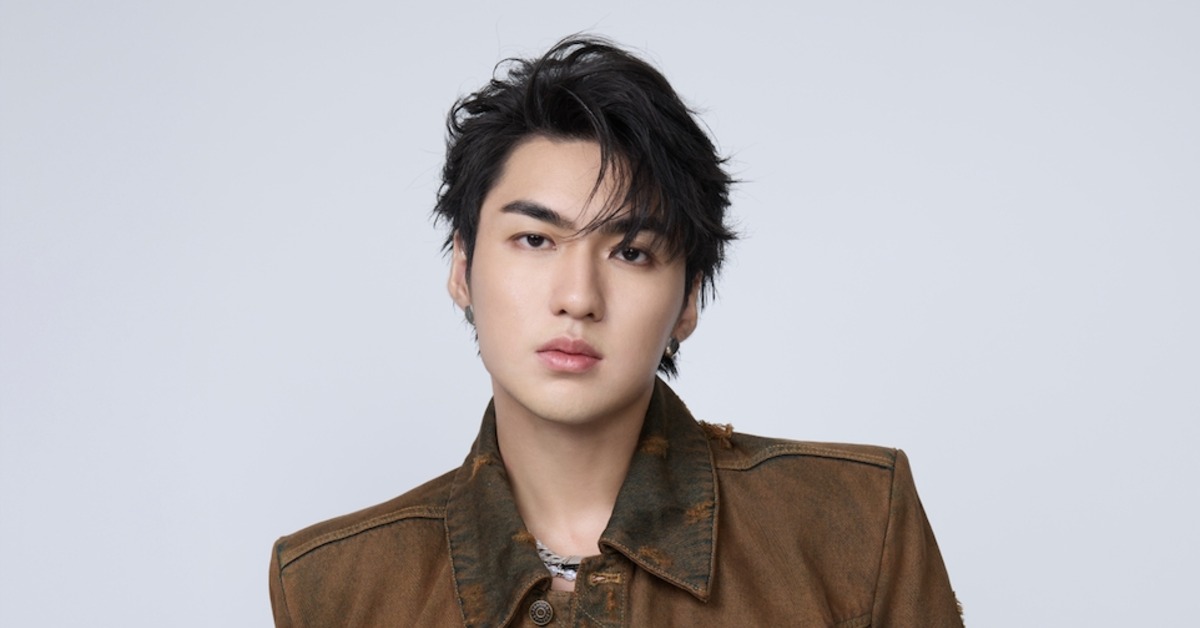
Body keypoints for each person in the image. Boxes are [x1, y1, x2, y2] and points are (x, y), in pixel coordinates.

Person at [269, 35, 963, 627]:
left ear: (687, 300)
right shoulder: (335, 586)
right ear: (462, 267)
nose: (578, 297)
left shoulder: (855, 524)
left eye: (631, 252)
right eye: (535, 240)